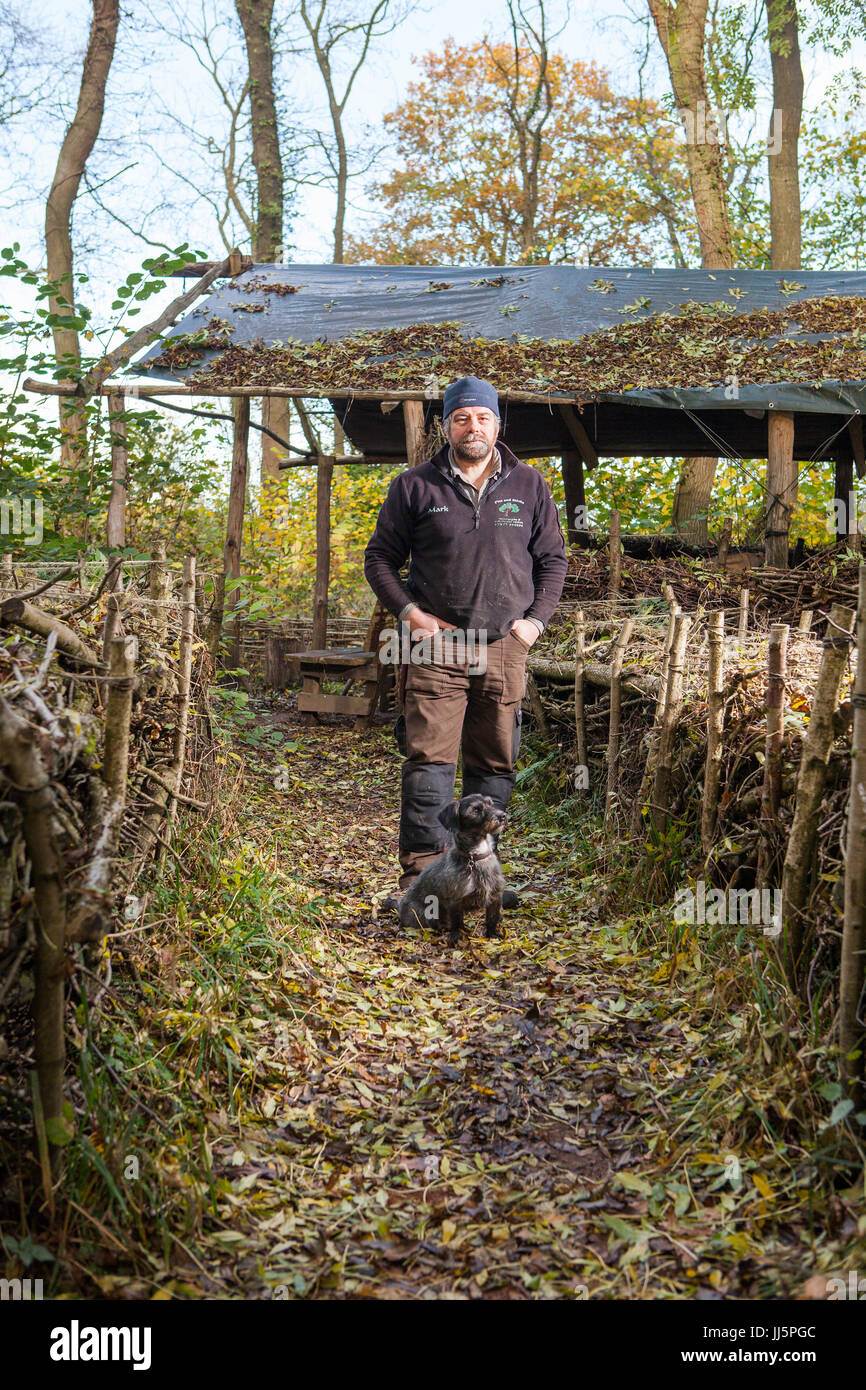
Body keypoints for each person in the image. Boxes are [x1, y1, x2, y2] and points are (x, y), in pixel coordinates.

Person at [364, 375, 568, 911]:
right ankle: (424, 880)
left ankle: (483, 876)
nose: (471, 426)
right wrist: (411, 614)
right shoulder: (415, 486)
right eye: (461, 417)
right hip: (439, 644)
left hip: (505, 644)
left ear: (498, 424)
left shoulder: (530, 485)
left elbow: (553, 561)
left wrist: (534, 624)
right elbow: (379, 558)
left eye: (481, 417)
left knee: (494, 763)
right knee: (429, 758)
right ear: (446, 426)